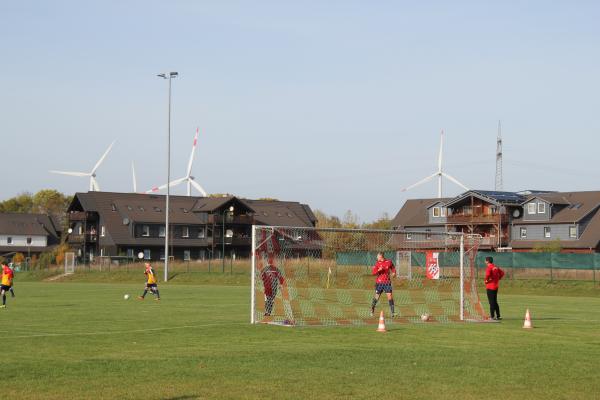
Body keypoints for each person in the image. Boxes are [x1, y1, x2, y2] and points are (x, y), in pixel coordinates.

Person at [370, 252, 397, 317]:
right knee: (377, 297)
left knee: (390, 296)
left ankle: (393, 312)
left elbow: (393, 268)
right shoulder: (377, 264)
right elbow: (373, 273)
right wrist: (379, 270)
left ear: (381, 256)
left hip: (387, 282)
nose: (377, 258)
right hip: (379, 283)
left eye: (377, 256)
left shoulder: (389, 262)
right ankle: (372, 310)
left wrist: (394, 273)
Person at [484, 256, 504, 320]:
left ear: (487, 261)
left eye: (485, 260)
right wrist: (498, 278)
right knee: (495, 301)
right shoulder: (495, 267)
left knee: (491, 302)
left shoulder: (489, 267)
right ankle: (498, 315)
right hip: (495, 286)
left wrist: (486, 280)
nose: (485, 261)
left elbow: (487, 275)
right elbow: (502, 273)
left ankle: (492, 316)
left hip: (490, 287)